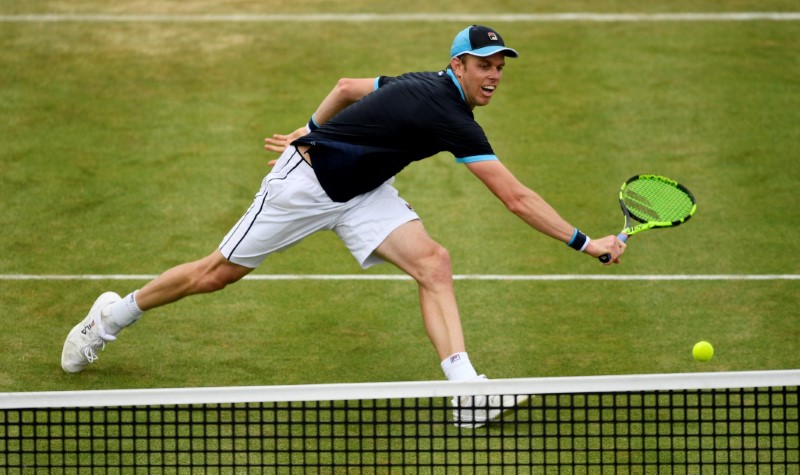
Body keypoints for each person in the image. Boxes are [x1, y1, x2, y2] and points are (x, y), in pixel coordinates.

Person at [61, 25, 625, 427]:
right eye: (485, 65)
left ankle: (466, 392)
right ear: (458, 66)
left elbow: (347, 85)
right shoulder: (447, 115)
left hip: (361, 192)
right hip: (303, 189)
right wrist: (585, 242)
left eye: (500, 67)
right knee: (214, 275)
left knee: (434, 262)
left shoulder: (424, 85)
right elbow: (516, 197)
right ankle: (110, 317)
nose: (495, 76)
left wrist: (308, 127)